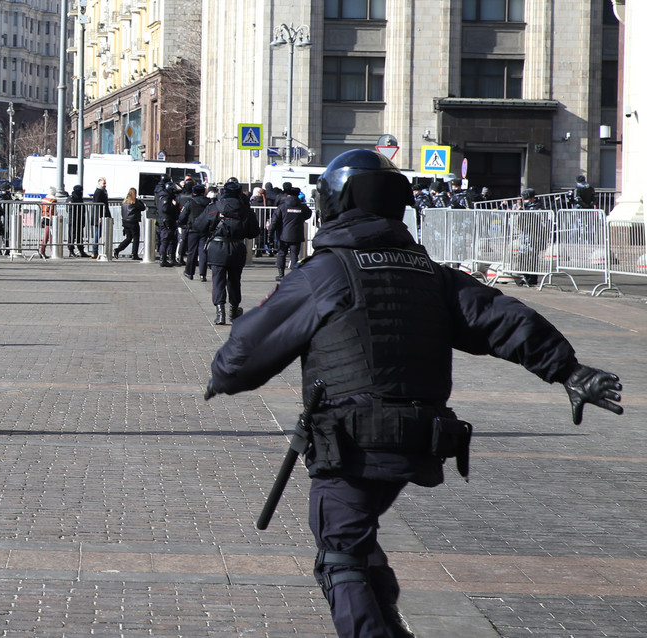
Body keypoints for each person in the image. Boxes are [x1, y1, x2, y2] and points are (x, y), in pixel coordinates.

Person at [202, 149, 624, 638]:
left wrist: (222, 376)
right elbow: (503, 319)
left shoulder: (326, 273)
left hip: (352, 444)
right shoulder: (431, 273)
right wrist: (568, 370)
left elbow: (247, 348)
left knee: (341, 557)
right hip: (419, 440)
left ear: (335, 201)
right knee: (358, 547)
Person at [193, 179, 259, 324]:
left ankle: (220, 312)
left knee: (218, 280)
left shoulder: (215, 207)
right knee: (235, 280)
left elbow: (198, 225)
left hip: (217, 248)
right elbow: (254, 232)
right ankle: (234, 310)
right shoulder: (246, 210)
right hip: (237, 248)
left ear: (223, 192)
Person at [268, 185, 312, 281]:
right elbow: (308, 214)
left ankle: (281, 274)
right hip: (297, 234)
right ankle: (293, 275)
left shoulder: (282, 207)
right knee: (294, 255)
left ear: (288, 195)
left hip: (283, 235)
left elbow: (275, 221)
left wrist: (270, 234)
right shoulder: (302, 207)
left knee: (281, 253)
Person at [178, 183, 211, 279]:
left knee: (192, 251)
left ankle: (189, 272)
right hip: (205, 229)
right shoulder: (209, 202)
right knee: (203, 251)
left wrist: (181, 223)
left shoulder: (190, 202)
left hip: (193, 229)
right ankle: (202, 274)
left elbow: (182, 216)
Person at [114, 187, 145, 260]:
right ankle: (134, 254)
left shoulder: (124, 202)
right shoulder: (135, 202)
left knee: (128, 238)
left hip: (125, 222)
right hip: (133, 222)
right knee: (136, 238)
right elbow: (143, 208)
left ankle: (118, 249)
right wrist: (140, 201)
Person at [157, 182, 181, 267]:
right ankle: (163, 259)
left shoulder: (166, 196)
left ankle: (171, 258)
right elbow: (165, 209)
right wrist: (174, 205)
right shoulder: (165, 197)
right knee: (165, 240)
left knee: (172, 241)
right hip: (166, 221)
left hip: (169, 221)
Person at [67, 184, 89, 257]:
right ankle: (71, 250)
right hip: (73, 220)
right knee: (72, 235)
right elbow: (69, 208)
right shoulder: (71, 198)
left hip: (80, 220)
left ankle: (81, 250)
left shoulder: (80, 198)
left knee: (80, 236)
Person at [90, 177, 110, 258]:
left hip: (102, 215)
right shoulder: (99, 192)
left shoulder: (102, 191)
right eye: (103, 183)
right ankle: (94, 251)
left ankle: (96, 251)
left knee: (99, 234)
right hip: (99, 216)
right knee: (97, 234)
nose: (105, 185)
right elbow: (97, 205)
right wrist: (99, 216)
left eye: (105, 183)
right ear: (99, 183)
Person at [40, 186, 57, 259]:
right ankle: (47, 251)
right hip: (51, 218)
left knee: (48, 235)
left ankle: (43, 250)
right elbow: (54, 210)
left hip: (44, 217)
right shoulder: (53, 200)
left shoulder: (44, 199)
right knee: (50, 235)